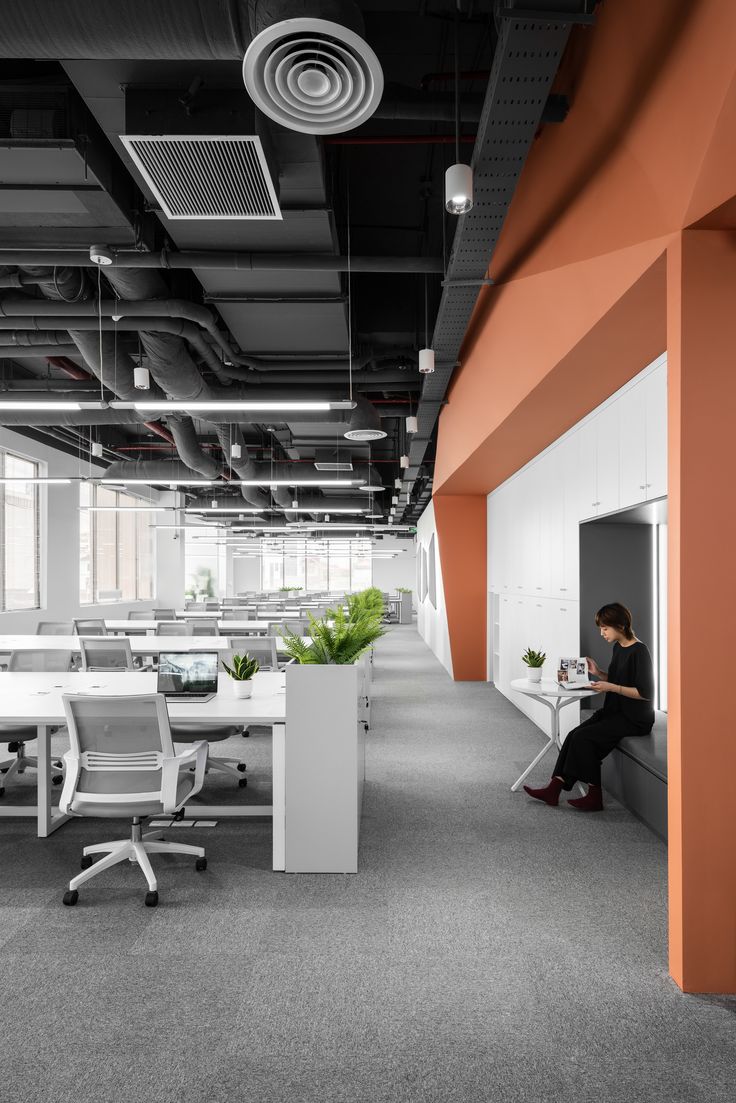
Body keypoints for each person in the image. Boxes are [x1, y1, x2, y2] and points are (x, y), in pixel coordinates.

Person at [523, 602, 655, 812]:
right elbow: (620, 679)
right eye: (600, 628)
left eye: (605, 628)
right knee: (573, 734)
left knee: (585, 739)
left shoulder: (640, 651)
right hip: (615, 711)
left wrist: (610, 686)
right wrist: (599, 673)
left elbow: (645, 693)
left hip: (634, 718)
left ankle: (594, 797)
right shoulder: (619, 647)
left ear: (620, 626)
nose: (602, 633)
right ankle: (554, 788)